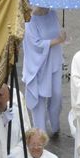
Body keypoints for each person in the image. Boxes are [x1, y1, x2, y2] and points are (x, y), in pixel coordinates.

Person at [22, 7, 65, 135]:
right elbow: (35, 44)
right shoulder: (30, 21)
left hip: (54, 61)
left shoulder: (53, 13)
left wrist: (62, 36)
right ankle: (40, 133)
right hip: (38, 64)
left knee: (57, 95)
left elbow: (57, 32)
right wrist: (57, 40)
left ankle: (55, 124)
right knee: (39, 98)